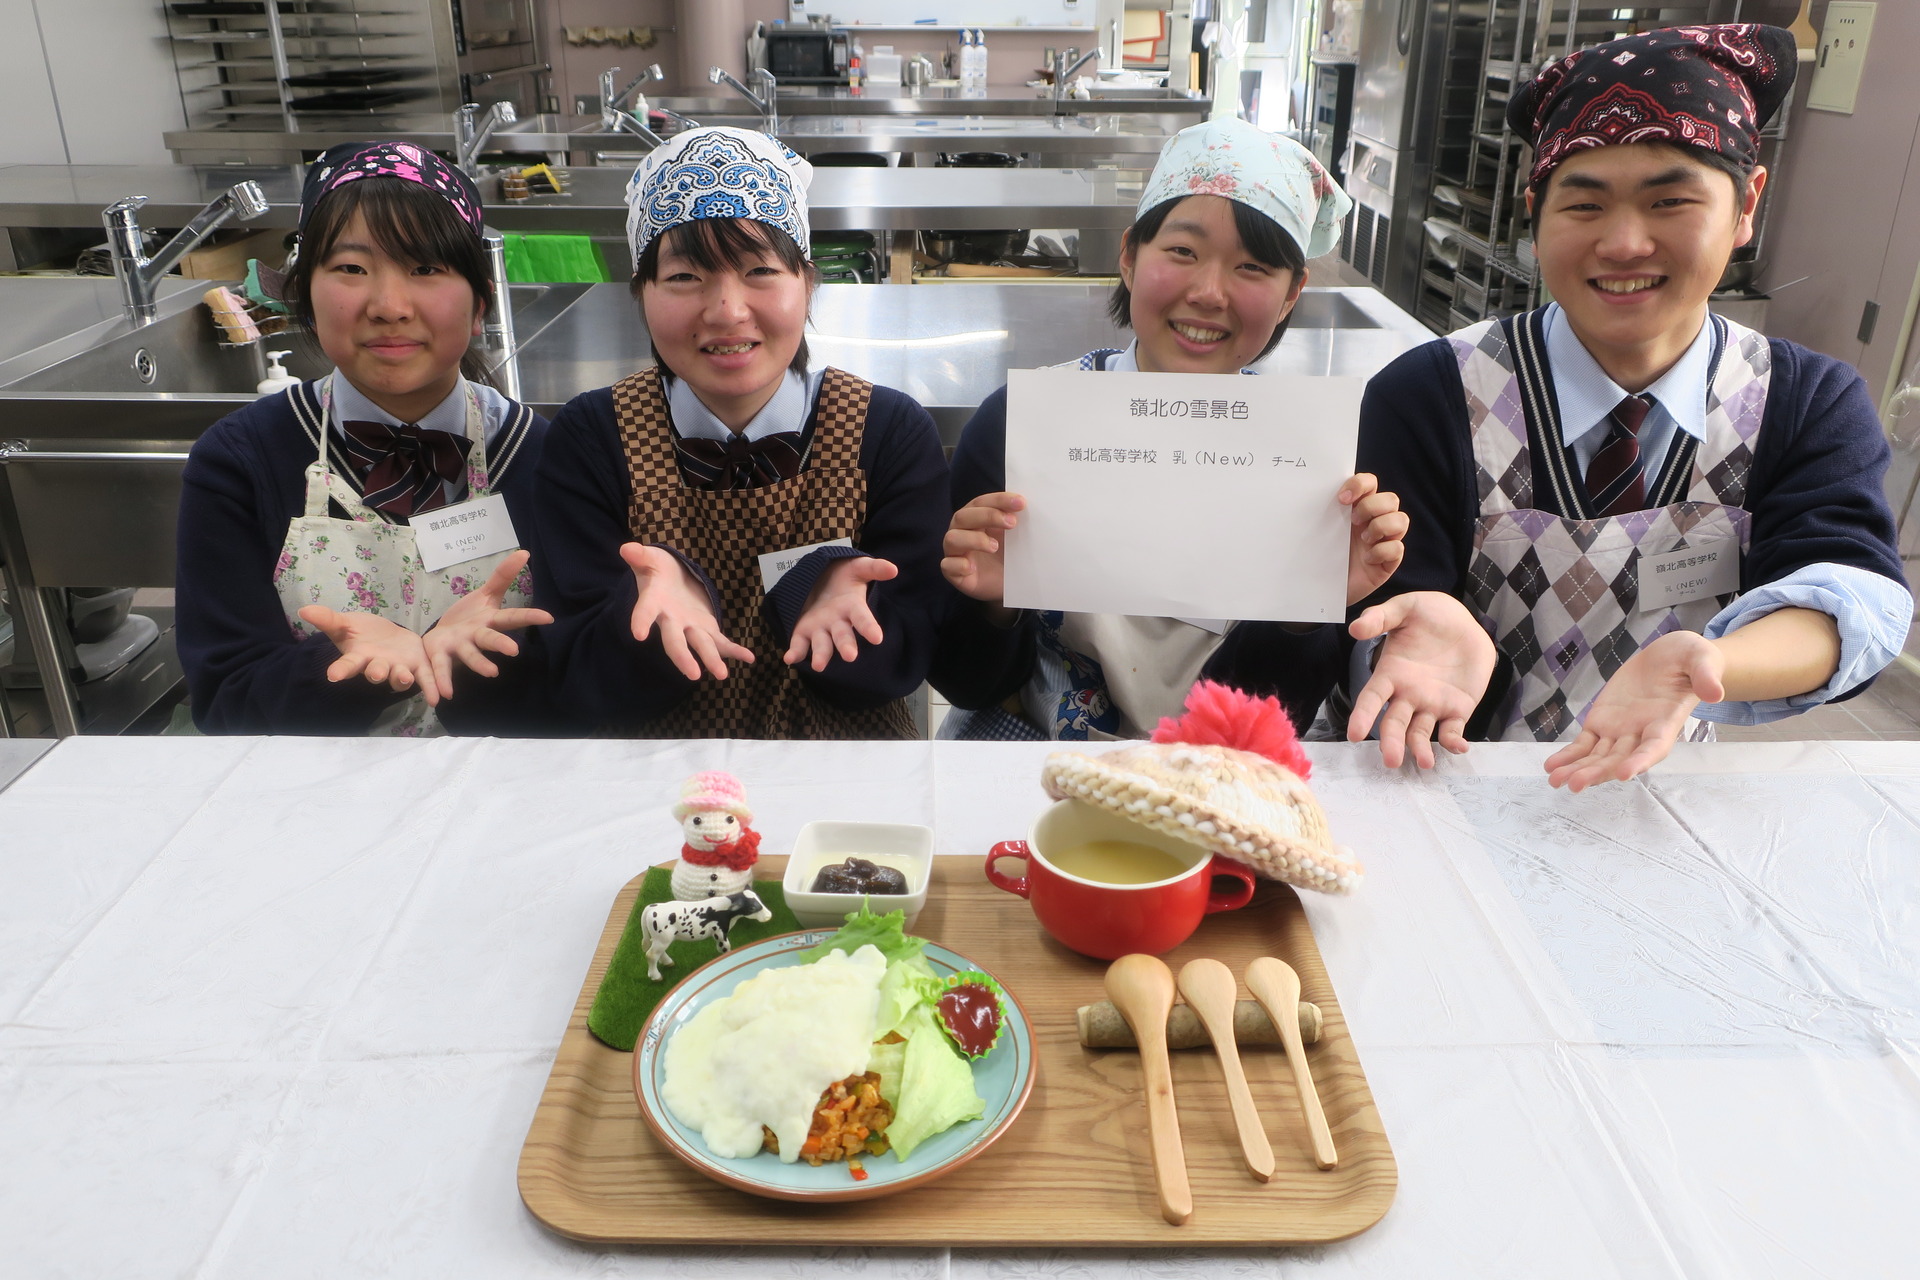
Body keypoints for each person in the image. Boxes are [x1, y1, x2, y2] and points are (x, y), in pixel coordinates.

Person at [1356, 24, 1912, 789]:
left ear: (1748, 202)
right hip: (1448, 778)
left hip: (1666, 787)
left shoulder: (1804, 403)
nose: (1623, 244)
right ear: (1535, 211)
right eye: (1583, 205)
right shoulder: (1428, 394)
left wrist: (1711, 662)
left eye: (1671, 200)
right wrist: (1407, 610)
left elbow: (1848, 591)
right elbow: (1383, 603)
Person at [934, 117, 1494, 762]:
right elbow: (964, 679)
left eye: (1253, 267)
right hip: (1033, 761)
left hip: (1227, 770)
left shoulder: (1314, 460)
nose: (1208, 293)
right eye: (1181, 251)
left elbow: (1284, 709)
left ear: (1291, 296)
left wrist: (1304, 606)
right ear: (1128, 255)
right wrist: (994, 607)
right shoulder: (1019, 428)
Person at [533, 127, 950, 737]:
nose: (727, 310)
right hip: (659, 790)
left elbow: (904, 663)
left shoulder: (886, 430)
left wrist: (823, 595)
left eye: (759, 270)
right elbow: (579, 679)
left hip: (840, 785)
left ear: (807, 284)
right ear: (641, 294)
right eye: (683, 277)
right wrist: (648, 614)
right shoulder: (592, 438)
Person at [177, 142, 552, 735]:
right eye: (351, 268)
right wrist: (350, 669)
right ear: (303, 291)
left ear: (479, 301)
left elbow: (583, 688)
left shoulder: (543, 456)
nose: (389, 305)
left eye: (426, 268)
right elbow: (225, 699)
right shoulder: (239, 462)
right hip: (316, 809)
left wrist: (472, 664)